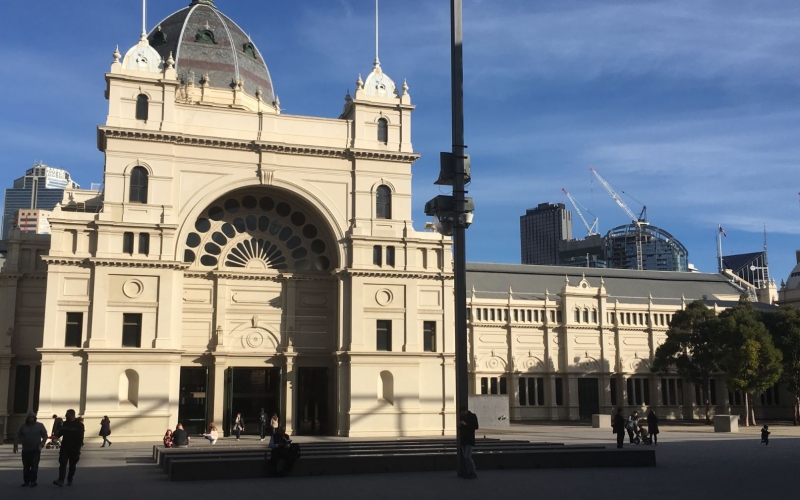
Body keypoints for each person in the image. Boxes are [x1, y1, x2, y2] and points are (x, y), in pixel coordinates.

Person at [14, 411, 48, 487]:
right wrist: (15, 445)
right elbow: (18, 435)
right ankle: (26, 481)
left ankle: (33, 481)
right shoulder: (23, 427)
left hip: (36, 449)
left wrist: (42, 443)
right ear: (27, 418)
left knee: (34, 466)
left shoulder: (40, 426)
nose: (31, 419)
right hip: (26, 450)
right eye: (30, 418)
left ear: (35, 418)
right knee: (26, 466)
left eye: (32, 418)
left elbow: (45, 435)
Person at [53, 409, 85, 487]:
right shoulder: (65, 424)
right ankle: (61, 480)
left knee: (72, 465)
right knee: (62, 463)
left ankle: (70, 479)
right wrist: (56, 437)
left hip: (74, 448)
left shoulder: (79, 425)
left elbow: (81, 437)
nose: (66, 416)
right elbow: (61, 432)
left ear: (71, 415)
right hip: (65, 447)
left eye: (67, 414)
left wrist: (78, 448)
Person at [457, 407, 479, 479]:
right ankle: (470, 472)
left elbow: (475, 426)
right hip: (464, 439)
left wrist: (465, 424)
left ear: (465, 411)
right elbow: (462, 428)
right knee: (466, 457)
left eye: (462, 412)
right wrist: (459, 426)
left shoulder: (472, 416)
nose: (461, 414)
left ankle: (473, 472)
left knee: (467, 456)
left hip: (469, 439)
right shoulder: (462, 417)